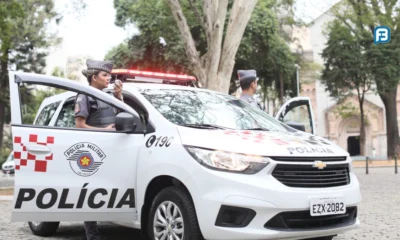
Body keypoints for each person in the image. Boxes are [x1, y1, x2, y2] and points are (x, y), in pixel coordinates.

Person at [74, 59, 123, 240]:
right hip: (92, 151)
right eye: (105, 75)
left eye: (109, 75)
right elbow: (80, 125)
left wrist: (119, 97)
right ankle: (92, 235)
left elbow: (122, 117)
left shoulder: (109, 96)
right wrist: (104, 130)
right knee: (91, 191)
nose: (108, 78)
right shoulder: (84, 96)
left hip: (110, 149)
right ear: (94, 77)